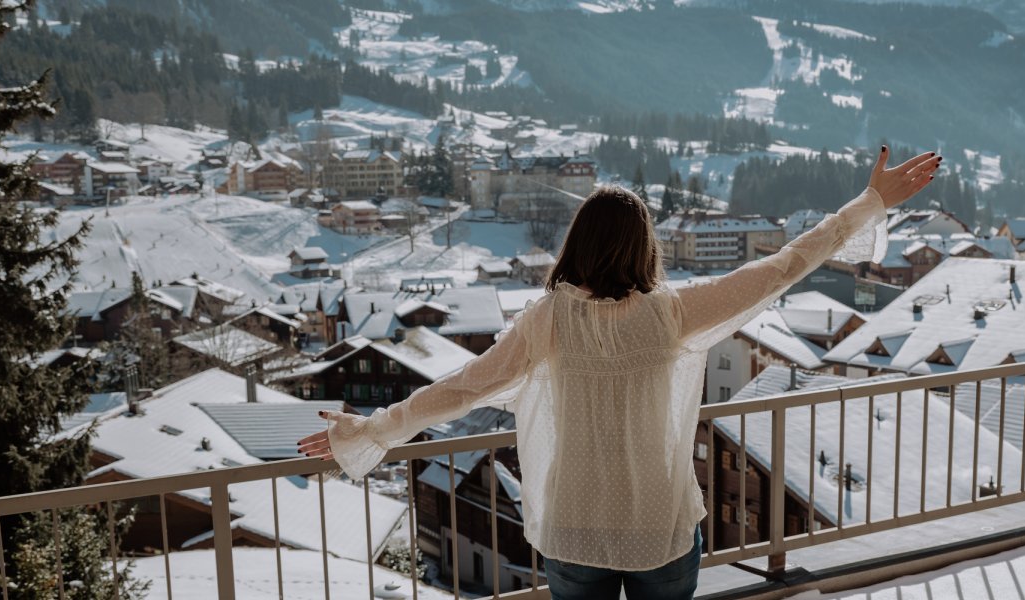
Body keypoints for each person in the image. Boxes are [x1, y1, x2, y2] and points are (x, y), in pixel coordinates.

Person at [298, 146, 942, 599]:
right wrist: (866, 205)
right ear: (646, 247)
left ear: (576, 243)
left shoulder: (545, 320)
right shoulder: (674, 313)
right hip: (659, 525)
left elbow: (462, 389)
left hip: (573, 528)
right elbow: (782, 268)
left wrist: (371, 430)